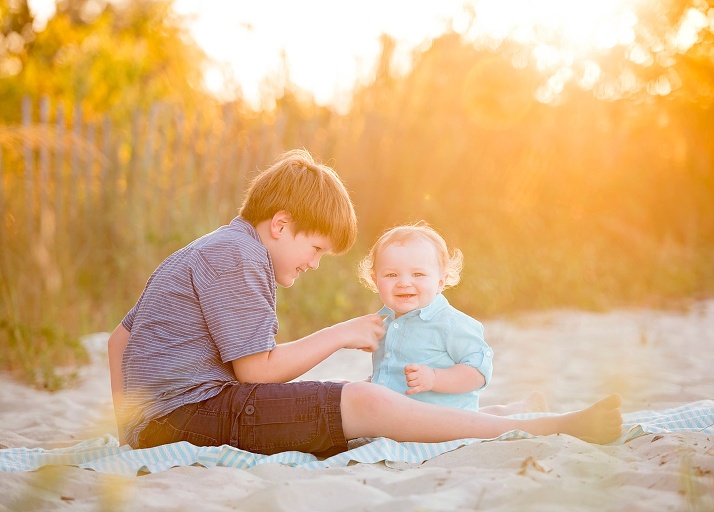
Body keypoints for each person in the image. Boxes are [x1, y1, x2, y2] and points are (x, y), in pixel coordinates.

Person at [108, 149, 623, 458]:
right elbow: (255, 374)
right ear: (281, 225)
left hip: (165, 420)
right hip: (192, 415)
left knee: (364, 405)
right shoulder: (241, 256)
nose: (313, 263)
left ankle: (500, 417)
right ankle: (542, 427)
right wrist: (339, 334)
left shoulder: (213, 246)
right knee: (364, 401)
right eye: (314, 249)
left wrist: (129, 427)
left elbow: (120, 341)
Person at [359, 222, 548, 415]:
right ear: (375, 281)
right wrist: (375, 382)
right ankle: (519, 409)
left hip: (446, 420)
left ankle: (522, 412)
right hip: (399, 420)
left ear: (440, 282)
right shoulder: (386, 326)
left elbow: (478, 372)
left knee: (478, 420)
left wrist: (434, 378)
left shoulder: (451, 324)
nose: (404, 283)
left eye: (418, 274)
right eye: (391, 274)